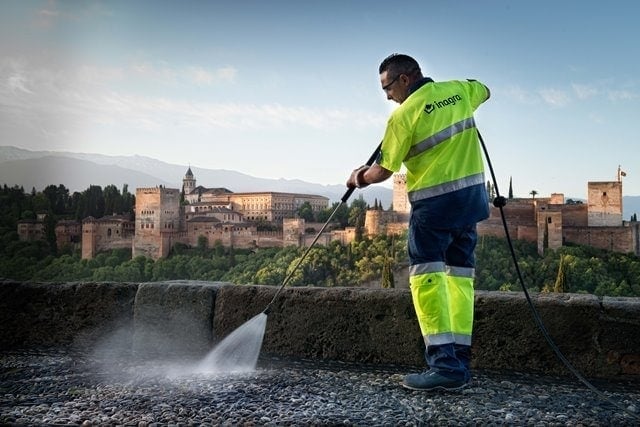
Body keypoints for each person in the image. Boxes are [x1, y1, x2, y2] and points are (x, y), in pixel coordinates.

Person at [347, 53, 490, 391]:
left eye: (387, 87)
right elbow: (484, 89)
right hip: (470, 203)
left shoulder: (403, 117)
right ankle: (460, 361)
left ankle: (444, 366)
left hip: (434, 209)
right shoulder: (459, 91)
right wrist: (459, 94)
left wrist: (357, 178)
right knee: (459, 280)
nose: (386, 96)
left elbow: (382, 170)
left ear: (405, 80)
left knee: (427, 280)